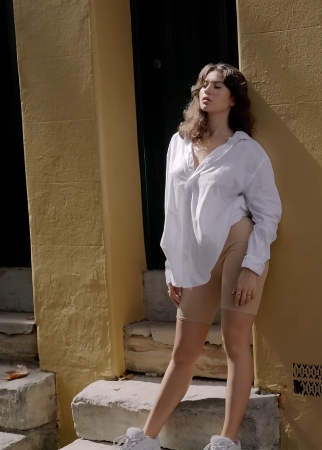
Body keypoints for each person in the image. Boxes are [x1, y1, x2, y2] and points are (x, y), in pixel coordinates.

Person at [114, 63, 282, 450]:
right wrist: (173, 267)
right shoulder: (179, 143)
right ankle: (147, 439)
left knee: (234, 342)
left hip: (238, 248)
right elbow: (172, 211)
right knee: (184, 350)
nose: (207, 91)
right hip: (196, 260)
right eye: (204, 84)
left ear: (233, 98)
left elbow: (269, 214)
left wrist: (252, 268)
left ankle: (226, 441)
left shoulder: (247, 152)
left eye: (218, 86)